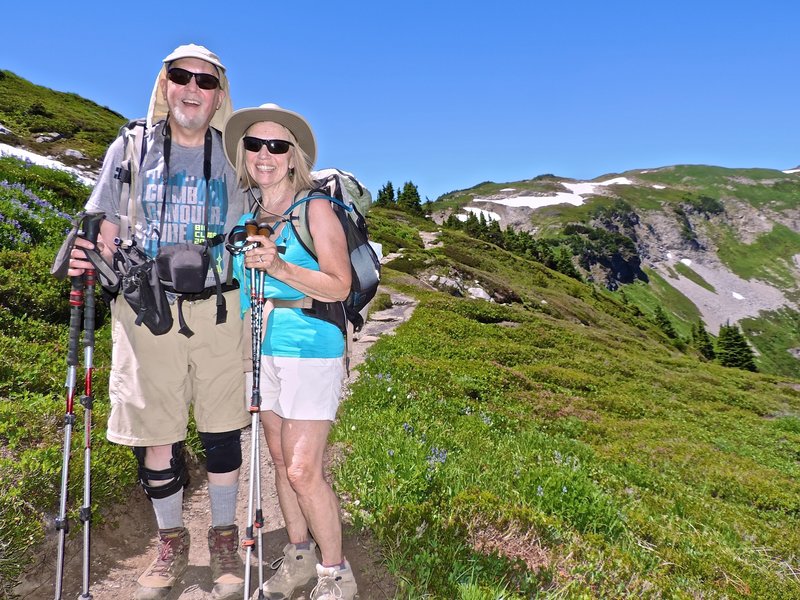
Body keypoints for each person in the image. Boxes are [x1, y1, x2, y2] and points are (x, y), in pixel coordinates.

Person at [66, 44, 249, 600]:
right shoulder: (131, 145)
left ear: (219, 95)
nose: (193, 89)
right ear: (164, 82)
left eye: (206, 81)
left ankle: (222, 537)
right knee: (156, 433)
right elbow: (107, 223)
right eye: (181, 76)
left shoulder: (236, 155)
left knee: (222, 429)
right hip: (147, 308)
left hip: (221, 307)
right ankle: (171, 541)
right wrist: (88, 252)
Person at [222, 103, 358, 599]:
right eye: (255, 144)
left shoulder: (314, 209)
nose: (265, 154)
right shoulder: (249, 216)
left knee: (302, 469)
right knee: (280, 461)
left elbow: (339, 285)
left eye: (277, 146)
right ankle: (299, 556)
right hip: (263, 350)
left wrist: (279, 269)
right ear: (244, 154)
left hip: (311, 348)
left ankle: (336, 574)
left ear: (294, 157)